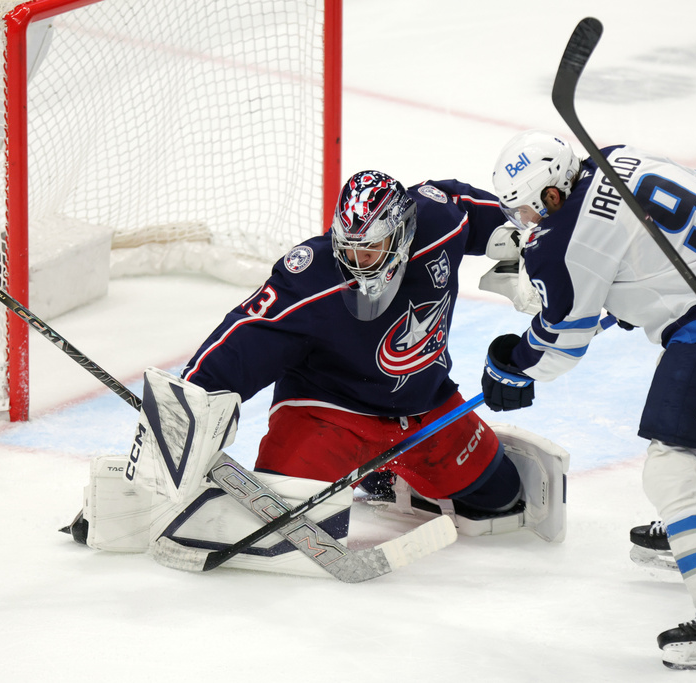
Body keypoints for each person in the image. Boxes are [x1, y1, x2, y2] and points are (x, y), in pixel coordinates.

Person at [66, 169, 572, 578]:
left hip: (424, 408)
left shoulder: (441, 222)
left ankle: (386, 477)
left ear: (401, 232)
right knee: (282, 526)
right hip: (328, 414)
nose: (356, 263)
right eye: (347, 247)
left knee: (502, 501)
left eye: (370, 250)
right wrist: (179, 417)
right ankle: (359, 467)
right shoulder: (311, 277)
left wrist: (528, 242)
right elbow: (239, 341)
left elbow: (479, 209)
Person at [482, 131, 696, 669]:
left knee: (670, 462)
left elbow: (560, 346)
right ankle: (695, 524)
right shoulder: (617, 157)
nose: (525, 222)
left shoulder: (563, 241)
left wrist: (510, 364)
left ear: (552, 196)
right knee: (685, 396)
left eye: (525, 210)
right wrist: (640, 277)